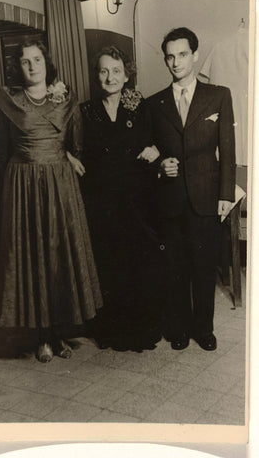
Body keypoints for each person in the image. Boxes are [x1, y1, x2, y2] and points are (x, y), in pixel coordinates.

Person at [0, 39, 102, 363]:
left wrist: (62, 154)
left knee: (58, 257)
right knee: (32, 257)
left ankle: (57, 333)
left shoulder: (66, 99)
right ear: (18, 67)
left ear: (46, 62)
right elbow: (1, 151)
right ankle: (39, 338)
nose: (32, 66)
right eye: (25, 61)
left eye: (37, 59)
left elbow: (75, 143)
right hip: (23, 185)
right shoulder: (6, 101)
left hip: (60, 185)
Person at [147, 28, 236, 351]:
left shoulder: (218, 96)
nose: (176, 62)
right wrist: (160, 166)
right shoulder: (154, 103)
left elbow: (228, 150)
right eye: (170, 56)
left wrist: (226, 194)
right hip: (170, 199)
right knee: (176, 268)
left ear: (195, 55)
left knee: (202, 266)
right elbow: (147, 148)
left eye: (182, 54)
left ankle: (204, 329)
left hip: (206, 196)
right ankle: (179, 328)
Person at [78, 45, 162, 351]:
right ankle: (113, 332)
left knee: (137, 264)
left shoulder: (140, 108)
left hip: (136, 202)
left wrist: (156, 151)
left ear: (127, 75)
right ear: (96, 75)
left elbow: (156, 143)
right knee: (109, 266)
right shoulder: (85, 111)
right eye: (103, 70)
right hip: (102, 203)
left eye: (116, 70)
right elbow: (74, 149)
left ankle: (140, 331)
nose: (109, 77)